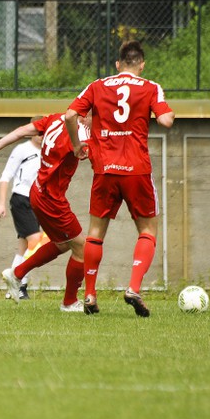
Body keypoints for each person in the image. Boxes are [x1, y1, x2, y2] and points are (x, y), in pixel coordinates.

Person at [65, 40, 174, 317]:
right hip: (136, 169)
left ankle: (89, 294)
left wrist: (78, 145)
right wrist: (164, 112)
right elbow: (166, 121)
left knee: (95, 233)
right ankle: (134, 288)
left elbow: (69, 115)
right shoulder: (150, 87)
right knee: (148, 230)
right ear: (142, 64)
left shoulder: (98, 85)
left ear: (117, 64)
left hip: (105, 169)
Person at [0, 113, 92, 312]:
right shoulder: (82, 133)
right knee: (81, 248)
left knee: (61, 244)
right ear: (88, 115)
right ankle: (69, 302)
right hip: (51, 199)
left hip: (38, 192)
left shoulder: (55, 118)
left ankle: (17, 273)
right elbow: (96, 156)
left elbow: (22, 131)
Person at [0, 116, 45, 300]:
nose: (41, 136)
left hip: (39, 202)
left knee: (23, 247)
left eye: (44, 133)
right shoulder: (22, 149)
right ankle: (19, 281)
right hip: (22, 200)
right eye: (38, 133)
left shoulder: (48, 151)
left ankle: (14, 289)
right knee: (37, 243)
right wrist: (1, 203)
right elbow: (6, 176)